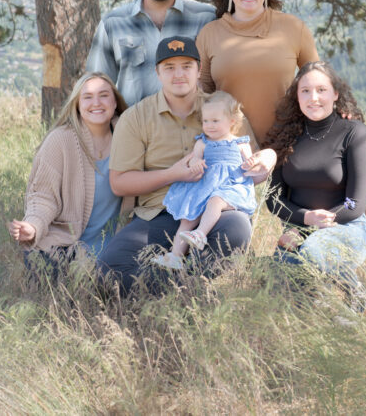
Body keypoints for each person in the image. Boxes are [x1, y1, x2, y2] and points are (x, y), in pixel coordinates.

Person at [97, 36, 276, 294]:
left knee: (237, 229)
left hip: (215, 215)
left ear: (198, 69)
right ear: (157, 72)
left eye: (186, 66)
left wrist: (270, 157)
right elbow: (120, 182)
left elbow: (252, 167)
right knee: (108, 269)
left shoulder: (223, 109)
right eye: (169, 68)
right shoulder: (136, 117)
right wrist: (172, 174)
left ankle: (177, 285)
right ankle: (189, 291)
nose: (178, 74)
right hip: (159, 214)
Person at [264, 61, 366, 311]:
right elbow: (274, 199)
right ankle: (321, 309)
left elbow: (354, 202)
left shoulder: (354, 133)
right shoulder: (287, 136)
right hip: (299, 229)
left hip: (348, 227)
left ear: (335, 94)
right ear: (297, 96)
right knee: (278, 278)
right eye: (305, 91)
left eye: (321, 90)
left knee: (314, 251)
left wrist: (317, 224)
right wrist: (303, 220)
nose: (313, 98)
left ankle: (352, 294)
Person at [8, 72, 129, 281]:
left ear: (115, 102)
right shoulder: (60, 140)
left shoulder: (128, 137)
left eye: (103, 95)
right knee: (50, 283)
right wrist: (33, 225)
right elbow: (43, 195)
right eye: (88, 97)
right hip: (65, 245)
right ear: (77, 104)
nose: (96, 103)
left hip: (113, 249)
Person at [196, 0, 319, 144]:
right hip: (230, 149)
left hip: (288, 143)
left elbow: (318, 79)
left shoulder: (294, 28)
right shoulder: (209, 34)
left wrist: (342, 109)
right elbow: (203, 93)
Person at [85, 0, 216, 105]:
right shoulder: (113, 23)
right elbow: (96, 87)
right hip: (135, 128)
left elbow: (222, 78)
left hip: (193, 127)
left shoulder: (206, 18)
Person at [153, 91, 258, 270]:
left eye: (215, 121)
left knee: (215, 202)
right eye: (205, 121)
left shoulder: (240, 143)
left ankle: (200, 234)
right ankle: (176, 256)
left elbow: (251, 164)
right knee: (188, 218)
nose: (209, 125)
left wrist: (250, 163)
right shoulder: (202, 143)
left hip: (229, 186)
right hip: (204, 184)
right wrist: (196, 163)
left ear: (232, 121)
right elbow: (194, 158)